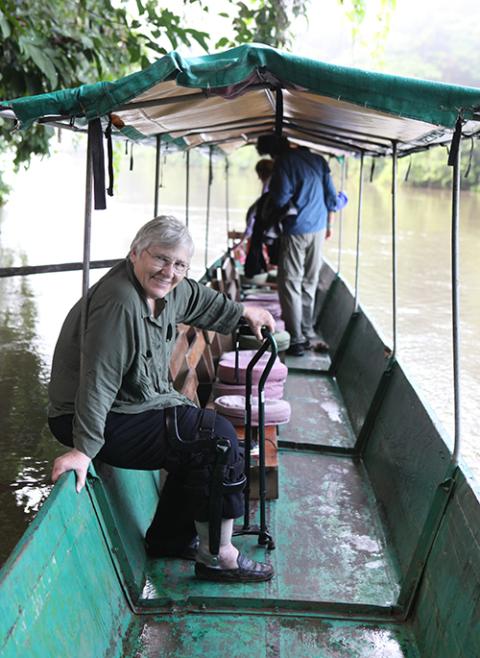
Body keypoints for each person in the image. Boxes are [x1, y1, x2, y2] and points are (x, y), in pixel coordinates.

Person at [48, 215, 275, 583]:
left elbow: (201, 299)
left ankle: (170, 539)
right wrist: (84, 449)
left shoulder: (170, 289)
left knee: (195, 436)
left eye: (180, 264)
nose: (169, 271)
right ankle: (218, 556)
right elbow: (99, 380)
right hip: (94, 416)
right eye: (160, 259)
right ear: (135, 253)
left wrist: (243, 312)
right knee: (216, 438)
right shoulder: (121, 302)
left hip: (134, 403)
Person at [256, 135, 338, 356]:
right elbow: (332, 199)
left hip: (296, 230)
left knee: (290, 282)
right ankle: (308, 330)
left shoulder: (284, 163)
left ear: (274, 153)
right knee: (310, 281)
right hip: (319, 229)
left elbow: (281, 198)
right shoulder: (319, 160)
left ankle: (297, 339)